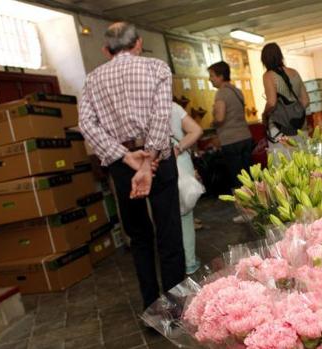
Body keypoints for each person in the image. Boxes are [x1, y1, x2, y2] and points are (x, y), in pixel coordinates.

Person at [78, 22, 185, 311]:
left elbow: (86, 124)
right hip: (158, 161)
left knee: (139, 237)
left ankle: (152, 308)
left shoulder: (92, 79)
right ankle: (176, 309)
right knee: (169, 233)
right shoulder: (157, 68)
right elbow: (161, 116)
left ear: (105, 50)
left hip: (123, 164)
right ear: (138, 43)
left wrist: (125, 157)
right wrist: (149, 160)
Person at [208, 61, 253, 222]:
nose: (210, 79)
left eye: (212, 76)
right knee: (248, 175)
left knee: (237, 178)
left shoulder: (221, 93)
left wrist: (212, 122)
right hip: (245, 136)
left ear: (220, 76)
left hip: (231, 140)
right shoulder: (237, 90)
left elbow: (220, 117)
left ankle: (245, 212)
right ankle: (255, 208)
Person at [169, 100, 203, 275]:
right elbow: (196, 130)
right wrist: (178, 147)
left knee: (165, 217)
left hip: (155, 166)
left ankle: (173, 263)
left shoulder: (139, 110)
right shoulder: (173, 107)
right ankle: (189, 262)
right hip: (180, 162)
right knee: (185, 216)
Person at [261, 42, 310, 151]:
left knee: (284, 163)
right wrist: (293, 112)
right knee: (304, 162)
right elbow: (306, 101)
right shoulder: (294, 72)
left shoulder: (268, 76)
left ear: (264, 60)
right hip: (301, 126)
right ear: (280, 56)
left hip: (280, 128)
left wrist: (264, 115)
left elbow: (272, 102)